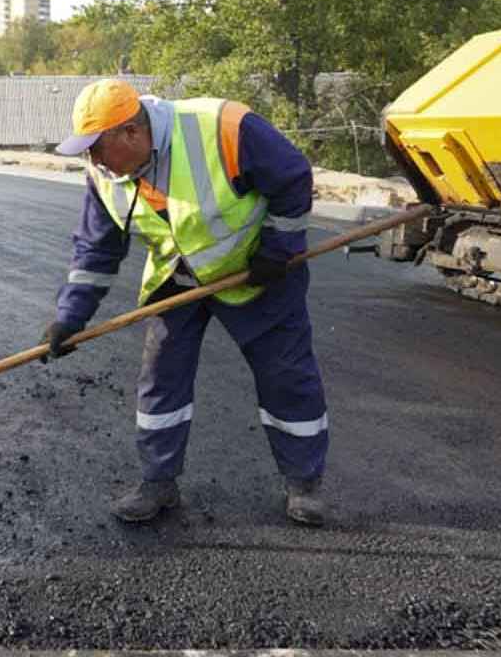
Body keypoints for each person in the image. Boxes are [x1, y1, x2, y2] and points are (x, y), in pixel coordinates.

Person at [43, 79, 327, 526]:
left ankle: (303, 484)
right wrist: (69, 317)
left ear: (132, 134)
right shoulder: (104, 172)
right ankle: (158, 482)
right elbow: (96, 249)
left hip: (257, 272)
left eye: (97, 148)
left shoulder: (223, 127)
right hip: (179, 277)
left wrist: (278, 250)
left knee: (286, 376)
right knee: (161, 379)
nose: (92, 160)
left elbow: (292, 178)